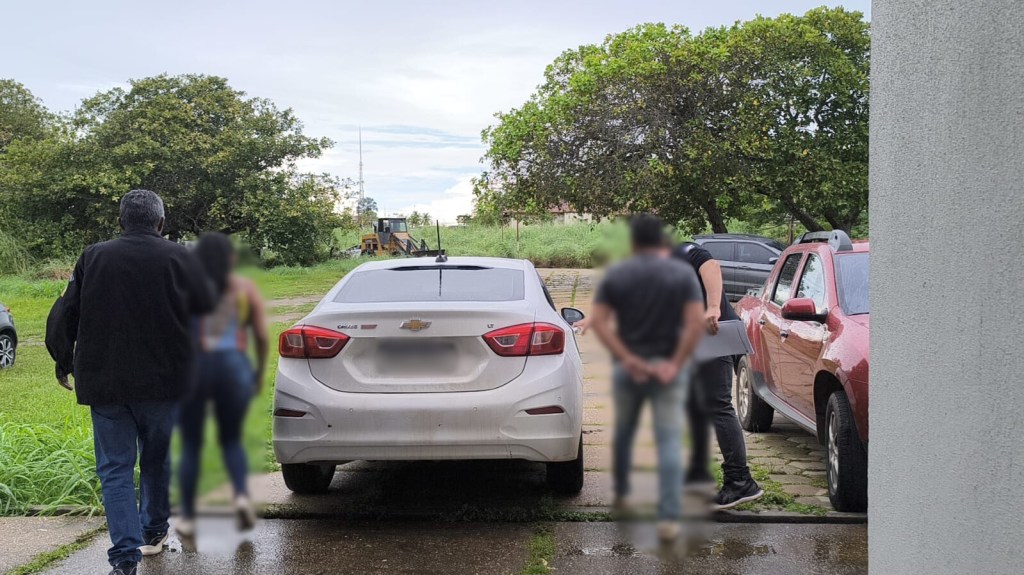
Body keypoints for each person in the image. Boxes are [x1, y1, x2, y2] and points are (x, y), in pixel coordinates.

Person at [45, 190, 215, 575]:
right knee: (159, 460)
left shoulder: (93, 256)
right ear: (161, 223)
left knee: (115, 468)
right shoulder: (184, 258)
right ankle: (153, 531)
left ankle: (125, 557)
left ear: (121, 221)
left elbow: (65, 311)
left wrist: (62, 359)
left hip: (106, 382)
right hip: (167, 382)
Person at [589, 214, 705, 542]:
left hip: (628, 369)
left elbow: (597, 322)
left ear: (634, 242)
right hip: (669, 368)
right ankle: (668, 519)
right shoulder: (681, 274)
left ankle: (623, 495)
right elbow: (695, 323)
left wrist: (627, 359)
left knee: (624, 431)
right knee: (668, 440)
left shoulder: (618, 274)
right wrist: (674, 363)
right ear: (661, 241)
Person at [176, 232, 269, 537]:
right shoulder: (243, 288)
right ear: (230, 258)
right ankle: (241, 497)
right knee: (231, 440)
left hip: (193, 370)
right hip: (234, 368)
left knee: (191, 445)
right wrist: (256, 375)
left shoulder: (186, 288)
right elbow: (262, 336)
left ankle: (188, 516)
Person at [673, 242, 764, 510]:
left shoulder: (683, 251)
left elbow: (710, 266)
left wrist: (713, 307)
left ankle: (740, 481)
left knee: (718, 406)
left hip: (713, 336)